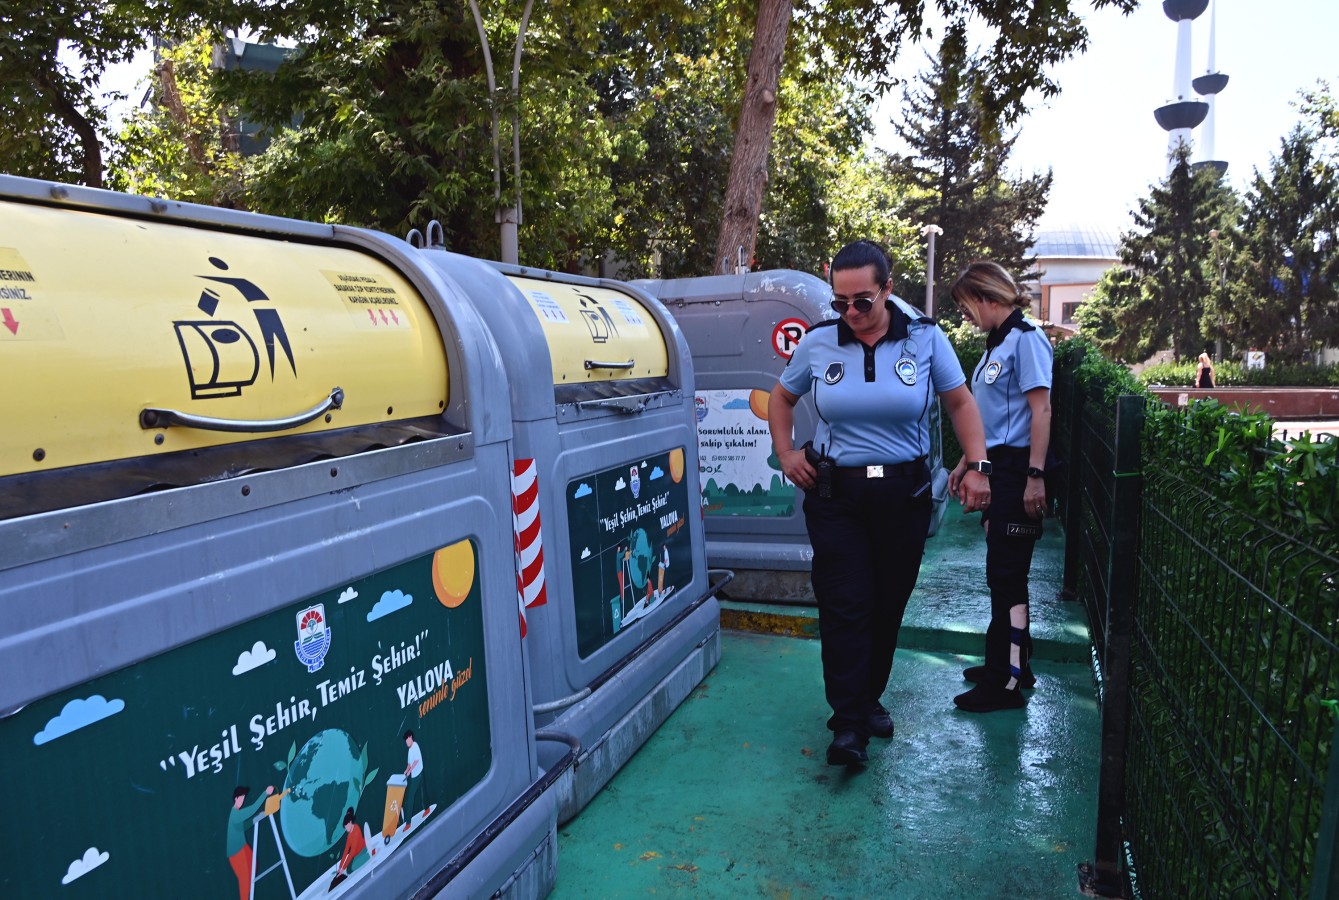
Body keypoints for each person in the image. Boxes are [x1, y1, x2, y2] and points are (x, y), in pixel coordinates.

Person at [768, 239, 992, 765]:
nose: (850, 313)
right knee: (846, 603)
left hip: (902, 493)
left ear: (888, 290)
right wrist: (784, 452)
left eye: (861, 301)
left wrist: (979, 465)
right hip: (835, 494)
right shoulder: (820, 344)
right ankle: (848, 723)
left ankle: (867, 700)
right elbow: (782, 397)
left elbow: (960, 401)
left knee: (888, 602)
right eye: (839, 303)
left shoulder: (925, 339)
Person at [947, 261, 1054, 713]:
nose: (965, 317)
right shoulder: (999, 342)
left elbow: (1041, 411)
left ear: (987, 298)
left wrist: (1035, 476)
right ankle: (1013, 664)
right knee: (1005, 573)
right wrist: (966, 462)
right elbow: (988, 416)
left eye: (967, 307)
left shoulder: (1026, 339)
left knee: (1006, 577)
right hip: (996, 466)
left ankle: (1005, 683)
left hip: (1015, 471)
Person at [226, 784, 274, 900]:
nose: (242, 800)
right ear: (236, 799)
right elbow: (252, 809)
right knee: (245, 880)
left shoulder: (238, 814)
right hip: (235, 853)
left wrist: (260, 816)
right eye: (240, 798)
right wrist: (265, 793)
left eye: (243, 798)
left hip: (243, 847)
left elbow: (243, 827)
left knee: (253, 867)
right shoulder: (235, 814)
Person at [330, 807, 370, 889]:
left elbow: (352, 852)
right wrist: (340, 868)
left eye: (347, 826)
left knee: (350, 870)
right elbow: (346, 851)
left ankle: (369, 855)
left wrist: (343, 868)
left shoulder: (356, 830)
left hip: (362, 850)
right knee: (348, 868)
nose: (346, 829)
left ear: (350, 822)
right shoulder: (349, 836)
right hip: (356, 854)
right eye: (345, 827)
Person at [402, 729, 425, 830]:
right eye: (405, 740)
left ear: (410, 737)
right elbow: (409, 763)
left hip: (418, 774)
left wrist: (410, 771)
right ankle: (427, 808)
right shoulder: (409, 750)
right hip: (414, 775)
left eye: (407, 739)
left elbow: (416, 761)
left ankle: (408, 823)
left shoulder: (415, 746)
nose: (406, 742)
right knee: (423, 790)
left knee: (410, 797)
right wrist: (406, 770)